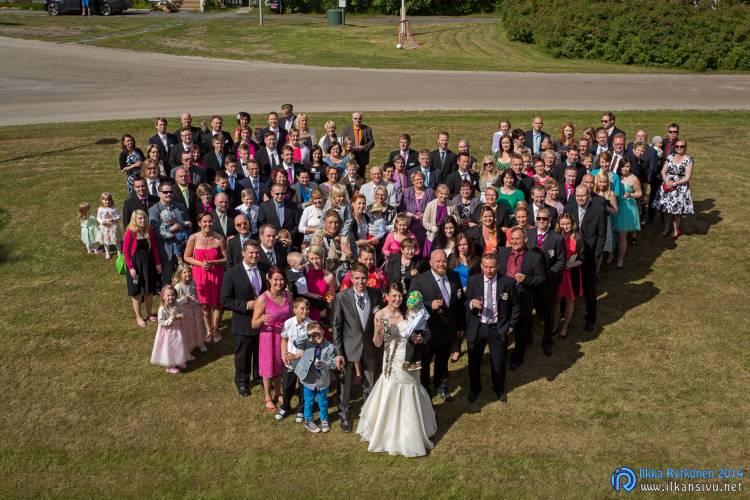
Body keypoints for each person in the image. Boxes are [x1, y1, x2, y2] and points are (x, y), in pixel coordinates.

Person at [356, 283, 437, 457]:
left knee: (411, 389)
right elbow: (378, 343)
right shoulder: (380, 315)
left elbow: (424, 332)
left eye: (400, 296)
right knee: (391, 390)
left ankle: (412, 431)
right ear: (386, 296)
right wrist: (377, 332)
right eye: (394, 296)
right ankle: (389, 432)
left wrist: (419, 338)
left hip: (410, 359)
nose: (397, 299)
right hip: (392, 362)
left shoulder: (408, 312)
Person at [332, 263, 384, 432]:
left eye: (363, 278)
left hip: (370, 346)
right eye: (357, 278)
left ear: (368, 278)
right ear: (351, 278)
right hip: (349, 347)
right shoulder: (341, 297)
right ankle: (344, 415)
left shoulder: (376, 294)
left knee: (370, 381)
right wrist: (338, 352)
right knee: (345, 384)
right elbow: (336, 326)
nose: (360, 282)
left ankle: (368, 415)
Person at [409, 250, 465, 401]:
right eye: (438, 261)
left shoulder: (454, 276)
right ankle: (425, 390)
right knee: (426, 363)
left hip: (448, 330)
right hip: (428, 331)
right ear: (430, 262)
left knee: (443, 361)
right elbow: (411, 304)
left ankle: (442, 387)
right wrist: (428, 305)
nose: (441, 264)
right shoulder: (419, 280)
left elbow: (459, 302)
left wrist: (461, 325)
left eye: (444, 261)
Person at [465, 252, 520, 404]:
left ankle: (499, 389)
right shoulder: (473, 281)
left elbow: (516, 306)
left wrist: (511, 326)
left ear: (498, 266)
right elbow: (465, 302)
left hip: (498, 328)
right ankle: (475, 389)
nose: (489, 271)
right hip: (478, 327)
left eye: (492, 267)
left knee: (499, 362)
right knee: (474, 361)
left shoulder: (507, 283)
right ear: (481, 266)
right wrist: (471, 303)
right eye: (486, 267)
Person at [221, 239, 268, 397]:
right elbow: (225, 300)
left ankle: (259, 376)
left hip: (262, 320)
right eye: (251, 253)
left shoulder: (265, 269)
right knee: (243, 354)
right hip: (243, 321)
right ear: (243, 253)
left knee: (260, 350)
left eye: (257, 253)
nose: (254, 256)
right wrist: (246, 305)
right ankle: (242, 381)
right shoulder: (231, 274)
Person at [497, 227, 546, 370]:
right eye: (512, 239)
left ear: (525, 239)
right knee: (502, 326)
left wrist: (527, 279)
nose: (514, 241)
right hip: (503, 298)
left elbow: (541, 279)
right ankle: (501, 354)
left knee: (521, 330)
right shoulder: (502, 252)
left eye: (517, 238)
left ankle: (517, 357)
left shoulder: (534, 257)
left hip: (523, 299)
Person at [566, 185, 607, 332]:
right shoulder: (569, 208)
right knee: (571, 284)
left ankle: (591, 317)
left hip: (589, 255)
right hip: (572, 253)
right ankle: (567, 313)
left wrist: (596, 255)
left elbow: (602, 235)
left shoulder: (599, 210)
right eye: (578, 196)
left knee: (589, 288)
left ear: (589, 196)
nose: (580, 198)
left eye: (583, 196)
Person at [252, 266, 293, 414]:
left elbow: (291, 314)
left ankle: (278, 392)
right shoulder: (262, 299)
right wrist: (261, 319)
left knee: (280, 364)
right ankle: (267, 396)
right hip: (268, 336)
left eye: (281, 279)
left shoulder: (288, 295)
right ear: (269, 280)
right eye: (275, 279)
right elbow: (253, 324)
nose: (279, 282)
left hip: (284, 336)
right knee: (268, 366)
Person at [526, 206, 565, 356]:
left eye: (544, 219)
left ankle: (548, 340)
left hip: (548, 283)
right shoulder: (528, 233)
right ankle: (527, 337)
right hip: (530, 282)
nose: (541, 221)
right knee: (527, 311)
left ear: (550, 220)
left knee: (548, 314)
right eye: (539, 218)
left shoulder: (557, 238)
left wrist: (548, 274)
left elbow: (561, 261)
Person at [183, 212, 227, 343]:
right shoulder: (193, 238)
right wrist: (200, 264)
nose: (208, 224)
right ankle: (208, 329)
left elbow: (226, 258)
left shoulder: (219, 238)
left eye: (210, 221)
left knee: (217, 303)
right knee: (204, 304)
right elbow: (186, 257)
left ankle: (216, 329)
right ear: (199, 223)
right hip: (199, 275)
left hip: (216, 274)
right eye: (205, 221)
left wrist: (215, 262)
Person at [293, 322, 337, 434]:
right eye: (313, 334)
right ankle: (308, 421)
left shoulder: (330, 346)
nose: (316, 335)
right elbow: (296, 342)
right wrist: (309, 334)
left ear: (323, 331)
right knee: (309, 401)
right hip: (308, 379)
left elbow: (333, 363)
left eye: (318, 332)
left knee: (323, 401)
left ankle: (324, 419)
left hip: (322, 380)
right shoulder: (307, 342)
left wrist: (324, 364)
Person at [123, 209, 161, 328]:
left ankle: (149, 314)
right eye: (140, 218)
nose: (143, 220)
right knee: (137, 291)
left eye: (144, 218)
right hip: (135, 266)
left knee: (149, 290)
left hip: (148, 264)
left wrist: (158, 263)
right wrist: (131, 267)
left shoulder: (149, 230)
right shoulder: (130, 232)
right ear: (134, 219)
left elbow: (154, 248)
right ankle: (138, 317)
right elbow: (126, 251)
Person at [278, 297, 312, 423]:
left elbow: (312, 346)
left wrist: (299, 355)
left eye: (307, 309)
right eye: (302, 308)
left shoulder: (311, 325)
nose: (305, 311)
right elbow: (284, 339)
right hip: (290, 362)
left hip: (305, 362)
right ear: (295, 310)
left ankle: (301, 410)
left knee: (303, 387)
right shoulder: (288, 323)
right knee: (287, 386)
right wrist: (283, 354)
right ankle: (285, 407)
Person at [652, 139, 694, 240]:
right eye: (677, 146)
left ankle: (675, 230)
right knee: (666, 210)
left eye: (682, 146)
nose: (679, 148)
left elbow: (687, 177)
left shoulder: (688, 159)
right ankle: (666, 228)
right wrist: (666, 181)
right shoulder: (670, 157)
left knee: (677, 212)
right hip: (667, 186)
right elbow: (663, 172)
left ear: (685, 147)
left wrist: (675, 183)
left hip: (680, 188)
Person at [149, 183, 188, 286]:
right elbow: (155, 233)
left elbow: (187, 224)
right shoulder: (154, 210)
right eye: (165, 192)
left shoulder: (180, 207)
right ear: (159, 193)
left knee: (184, 279)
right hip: (165, 251)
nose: (168, 194)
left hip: (182, 248)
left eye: (171, 192)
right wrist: (173, 228)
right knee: (167, 280)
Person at [150, 285, 192, 374]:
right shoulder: (162, 309)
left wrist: (180, 316)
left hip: (177, 330)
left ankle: (179, 360)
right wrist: (171, 320)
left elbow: (182, 312)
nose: (171, 297)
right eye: (168, 295)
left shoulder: (177, 304)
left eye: (173, 295)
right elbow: (161, 322)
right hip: (167, 332)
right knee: (170, 347)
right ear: (163, 297)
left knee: (179, 345)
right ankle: (170, 365)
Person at [554, 212, 583, 339]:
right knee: (557, 300)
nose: (565, 227)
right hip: (558, 274)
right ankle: (555, 324)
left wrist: (571, 265)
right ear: (559, 224)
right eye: (563, 224)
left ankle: (565, 326)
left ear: (572, 224)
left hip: (572, 274)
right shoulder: (555, 236)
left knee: (569, 301)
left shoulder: (578, 238)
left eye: (568, 224)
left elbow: (582, 258)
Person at [613, 158, 642, 268]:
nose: (625, 169)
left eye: (628, 166)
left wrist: (630, 195)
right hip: (615, 206)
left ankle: (620, 259)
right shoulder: (616, 177)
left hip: (626, 208)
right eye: (623, 166)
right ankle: (612, 254)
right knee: (614, 233)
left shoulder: (634, 178)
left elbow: (639, 193)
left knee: (622, 235)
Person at [172, 263, 207, 354]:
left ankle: (200, 342)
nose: (187, 274)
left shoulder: (193, 283)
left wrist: (199, 303)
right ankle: (189, 345)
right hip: (185, 312)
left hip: (195, 309)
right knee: (188, 329)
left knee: (198, 325)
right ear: (180, 274)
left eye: (189, 271)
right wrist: (186, 299)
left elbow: (196, 295)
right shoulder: (178, 287)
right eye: (184, 272)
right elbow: (176, 302)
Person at [400, 171, 434, 253]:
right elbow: (402, 208)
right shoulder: (407, 192)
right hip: (409, 223)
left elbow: (434, 208)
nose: (419, 181)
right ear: (412, 181)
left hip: (425, 223)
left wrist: (424, 215)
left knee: (423, 246)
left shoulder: (430, 191)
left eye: (420, 179)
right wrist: (412, 215)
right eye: (416, 179)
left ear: (424, 179)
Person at [422, 184, 457, 256]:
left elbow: (457, 219)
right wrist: (432, 228)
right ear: (437, 193)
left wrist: (454, 218)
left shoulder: (452, 204)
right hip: (433, 236)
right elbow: (425, 222)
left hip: (447, 236)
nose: (444, 196)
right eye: (442, 193)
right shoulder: (430, 205)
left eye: (446, 194)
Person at [593, 173, 618, 268]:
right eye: (600, 182)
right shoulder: (593, 192)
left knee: (602, 244)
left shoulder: (610, 194)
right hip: (593, 221)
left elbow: (615, 211)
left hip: (605, 221)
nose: (602, 184)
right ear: (596, 181)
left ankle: (599, 267)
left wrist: (608, 208)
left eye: (605, 182)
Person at [341, 112, 375, 177]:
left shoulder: (367, 129)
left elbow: (372, 142)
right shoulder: (346, 129)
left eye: (359, 118)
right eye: (355, 118)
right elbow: (342, 142)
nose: (357, 120)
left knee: (361, 176)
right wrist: (349, 148)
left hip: (362, 157)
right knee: (349, 175)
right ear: (352, 119)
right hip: (350, 156)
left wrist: (364, 147)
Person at [96, 192, 123, 261]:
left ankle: (119, 252)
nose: (107, 201)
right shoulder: (100, 209)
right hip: (105, 228)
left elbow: (120, 215)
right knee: (106, 240)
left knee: (116, 240)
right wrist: (103, 221)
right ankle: (107, 253)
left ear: (111, 200)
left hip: (113, 227)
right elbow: (98, 218)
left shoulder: (114, 208)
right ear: (102, 200)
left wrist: (113, 219)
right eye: (105, 200)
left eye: (108, 200)